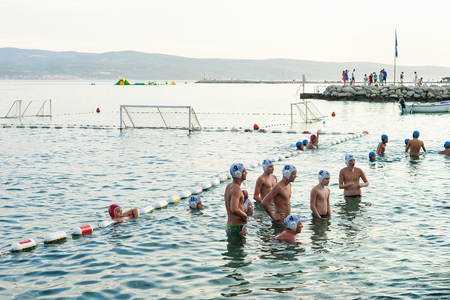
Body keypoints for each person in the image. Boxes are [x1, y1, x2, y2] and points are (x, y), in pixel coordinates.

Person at [225, 163, 248, 236]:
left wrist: (245, 198)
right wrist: (245, 215)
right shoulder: (236, 189)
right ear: (238, 174)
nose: (246, 173)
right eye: (244, 171)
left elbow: (237, 206)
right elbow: (234, 209)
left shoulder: (229, 186)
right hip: (238, 227)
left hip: (230, 226)